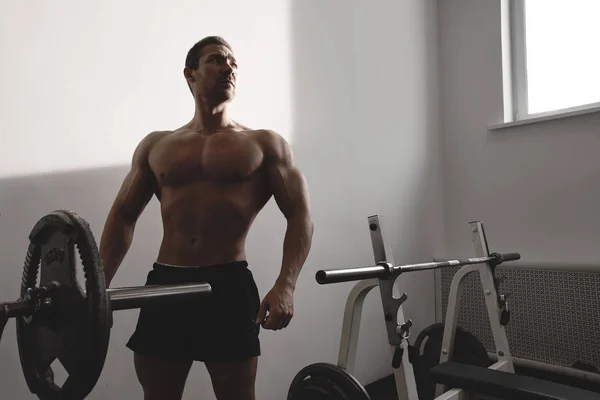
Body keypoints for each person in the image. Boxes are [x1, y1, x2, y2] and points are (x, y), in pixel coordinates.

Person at [99, 36, 314, 400]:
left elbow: (299, 215)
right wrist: (97, 287)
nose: (229, 67)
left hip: (228, 284)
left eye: (233, 63)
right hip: (166, 283)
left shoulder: (264, 144)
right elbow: (123, 216)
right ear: (190, 74)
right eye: (217, 60)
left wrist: (286, 285)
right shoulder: (157, 146)